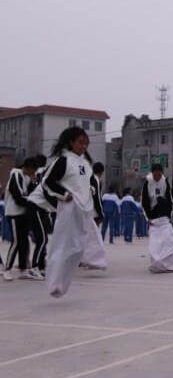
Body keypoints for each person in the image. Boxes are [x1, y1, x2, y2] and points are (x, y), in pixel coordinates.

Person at [43, 127, 108, 296]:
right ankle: (54, 284)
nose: (84, 146)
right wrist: (64, 195)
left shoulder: (85, 163)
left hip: (84, 211)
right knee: (63, 246)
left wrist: (91, 191)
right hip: (69, 210)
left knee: (78, 249)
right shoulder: (63, 160)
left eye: (86, 143)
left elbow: (86, 183)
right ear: (71, 142)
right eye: (80, 142)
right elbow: (47, 182)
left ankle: (61, 284)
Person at [3, 157, 38, 281]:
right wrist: (32, 202)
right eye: (32, 171)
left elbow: (32, 194)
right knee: (17, 241)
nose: (33, 174)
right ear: (26, 167)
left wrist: (33, 182)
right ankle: (7, 269)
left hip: (23, 213)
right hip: (14, 213)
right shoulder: (16, 174)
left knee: (24, 241)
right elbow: (18, 195)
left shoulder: (28, 178)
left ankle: (24, 269)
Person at [142, 163, 173, 273]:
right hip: (153, 214)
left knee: (167, 239)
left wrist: (169, 216)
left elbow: (170, 200)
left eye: (159, 175)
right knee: (156, 241)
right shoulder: (147, 183)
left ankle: (168, 263)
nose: (157, 177)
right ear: (152, 173)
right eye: (155, 175)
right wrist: (147, 218)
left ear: (162, 173)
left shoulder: (165, 181)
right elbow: (144, 202)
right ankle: (157, 262)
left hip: (164, 213)